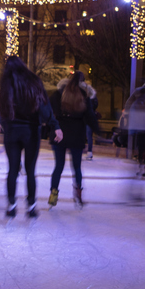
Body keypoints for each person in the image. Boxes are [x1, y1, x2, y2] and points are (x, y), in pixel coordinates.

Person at [0, 56, 62, 219]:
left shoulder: (7, 85)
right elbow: (44, 107)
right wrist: (54, 125)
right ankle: (31, 207)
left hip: (12, 131)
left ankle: (11, 206)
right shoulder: (34, 82)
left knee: (13, 170)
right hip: (31, 131)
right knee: (30, 171)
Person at [48, 72, 98, 209]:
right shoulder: (84, 93)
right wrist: (97, 130)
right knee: (76, 167)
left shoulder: (58, 93)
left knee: (58, 166)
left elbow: (49, 110)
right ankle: (78, 195)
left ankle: (53, 194)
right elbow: (90, 115)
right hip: (77, 134)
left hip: (59, 133)